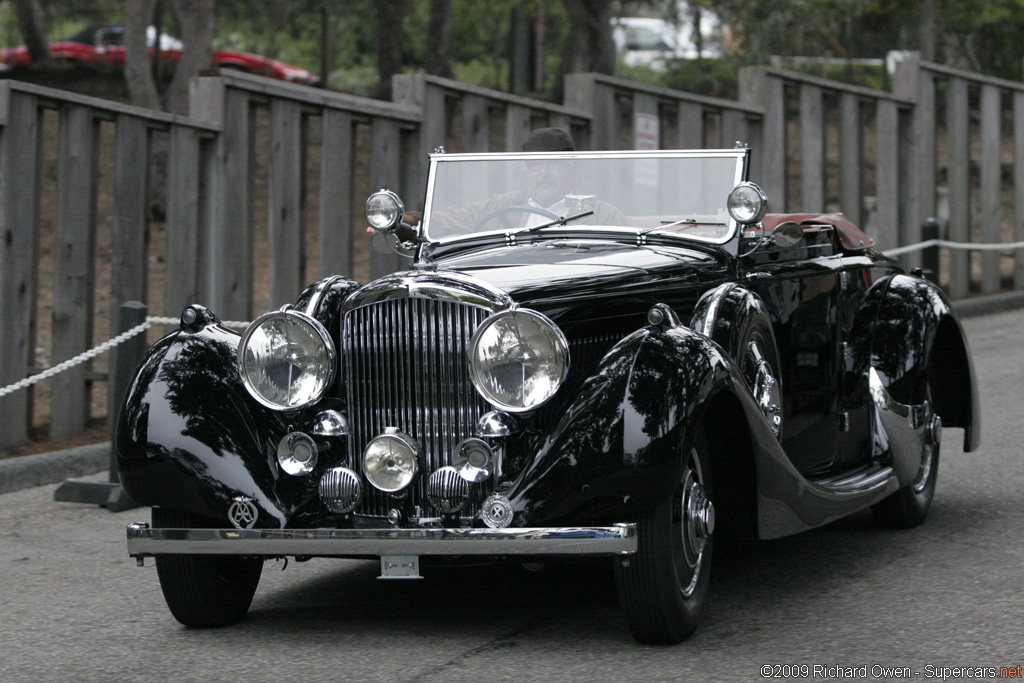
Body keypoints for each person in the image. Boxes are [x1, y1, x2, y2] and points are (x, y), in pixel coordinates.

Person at [406, 127, 626, 236]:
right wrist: (408, 221)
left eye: (554, 164)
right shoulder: (505, 205)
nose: (544, 172)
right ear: (525, 170)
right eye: (535, 165)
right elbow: (457, 218)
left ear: (572, 168)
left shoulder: (601, 215)